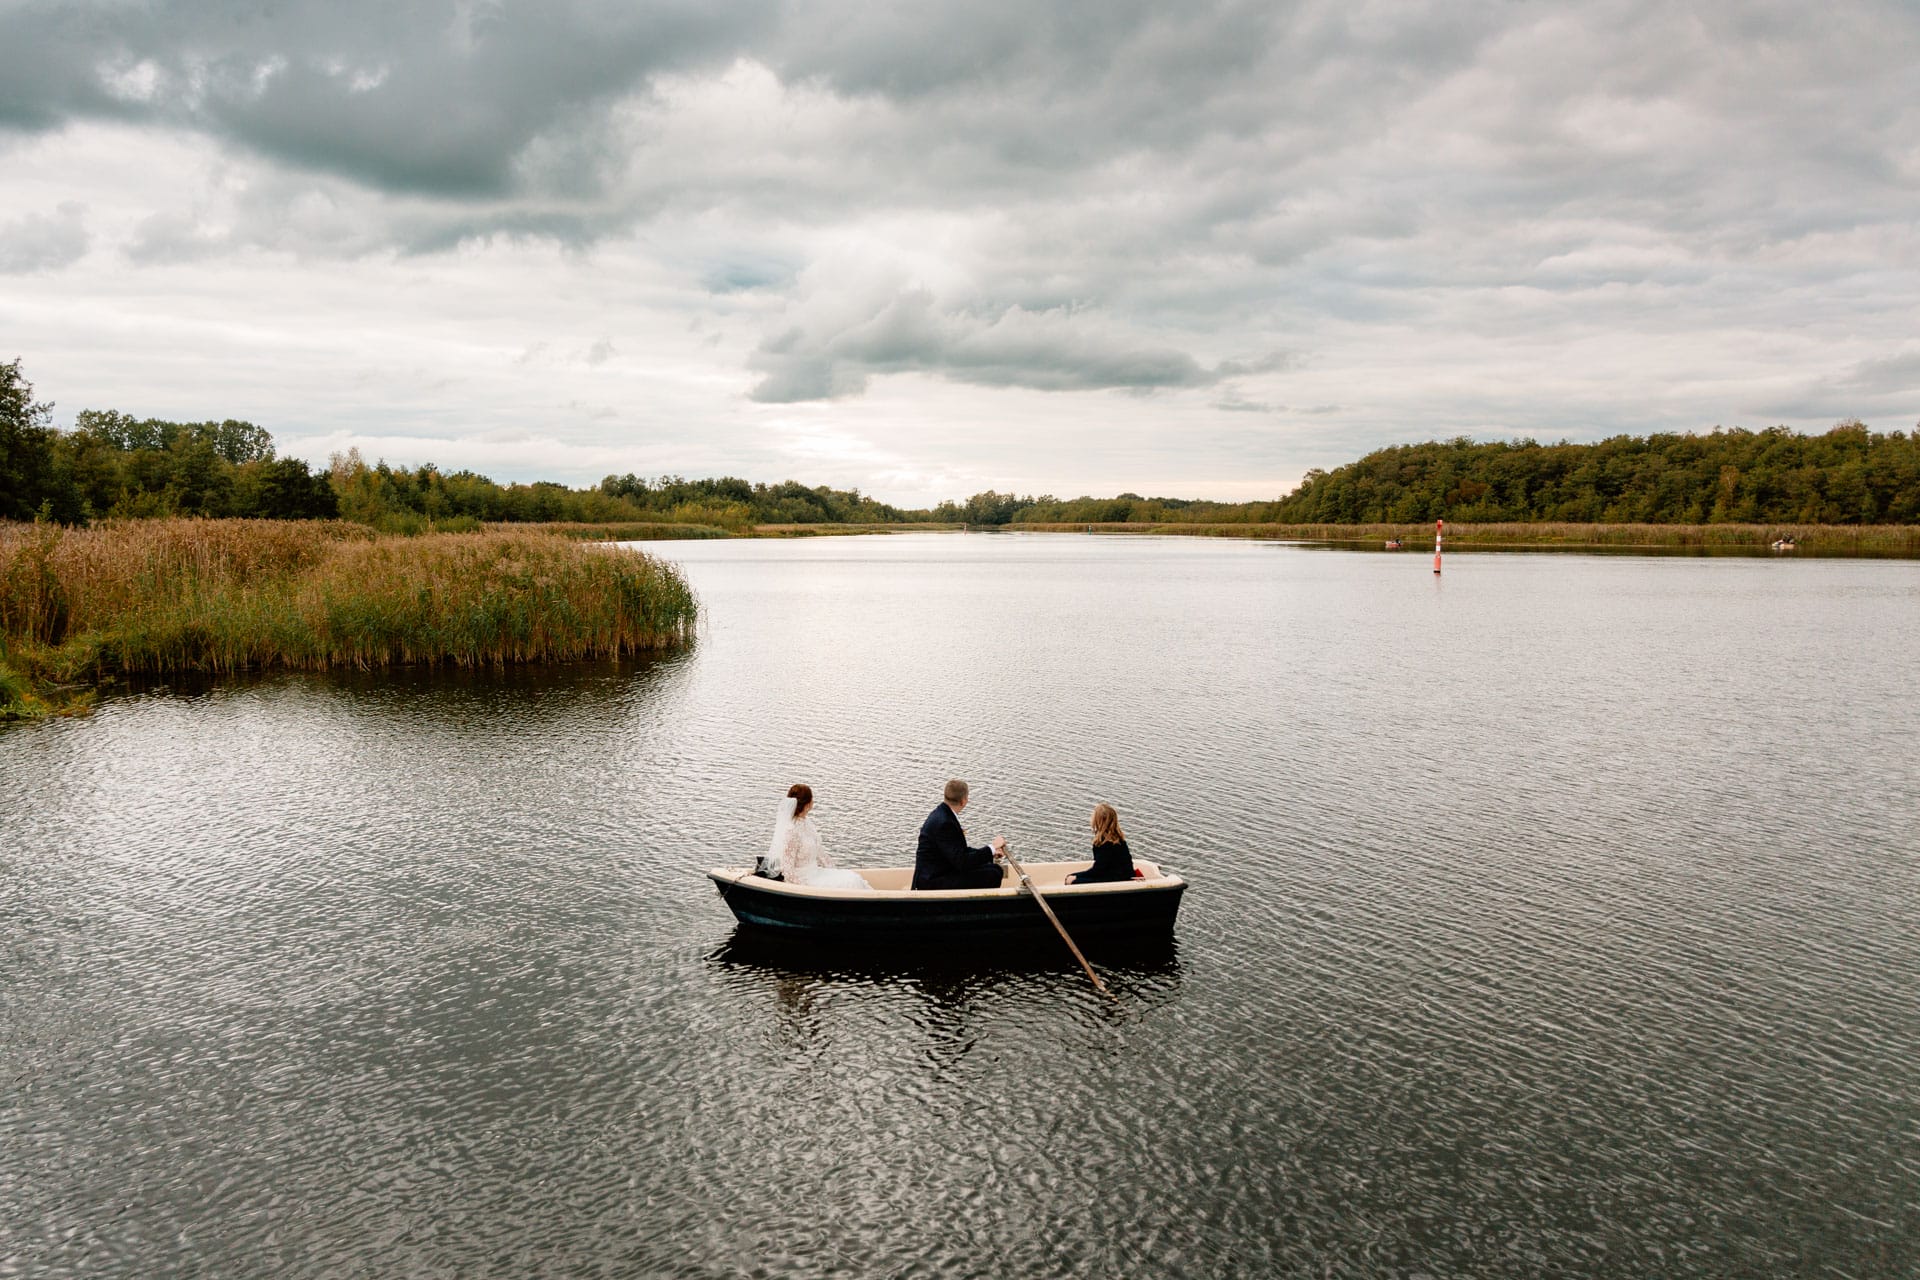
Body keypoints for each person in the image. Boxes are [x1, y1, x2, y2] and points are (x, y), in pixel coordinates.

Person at [763, 784, 869, 890]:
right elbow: (787, 869)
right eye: (812, 799)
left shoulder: (807, 823)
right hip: (804, 879)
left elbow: (820, 854)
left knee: (852, 878)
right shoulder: (792, 831)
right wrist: (804, 888)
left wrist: (835, 872)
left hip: (816, 872)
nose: (813, 801)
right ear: (807, 804)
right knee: (851, 882)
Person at [912, 779, 1007, 890]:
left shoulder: (942, 813)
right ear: (964, 801)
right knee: (993, 874)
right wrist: (992, 847)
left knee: (993, 868)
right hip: (932, 880)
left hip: (937, 871)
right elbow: (962, 862)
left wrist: (991, 852)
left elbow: (958, 852)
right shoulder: (945, 823)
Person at [1065, 803, 1135, 884]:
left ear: (1097, 820)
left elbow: (1098, 870)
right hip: (1123, 876)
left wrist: (1076, 877)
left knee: (1071, 880)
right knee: (1071, 876)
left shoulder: (1104, 843)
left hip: (1116, 879)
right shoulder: (1119, 839)